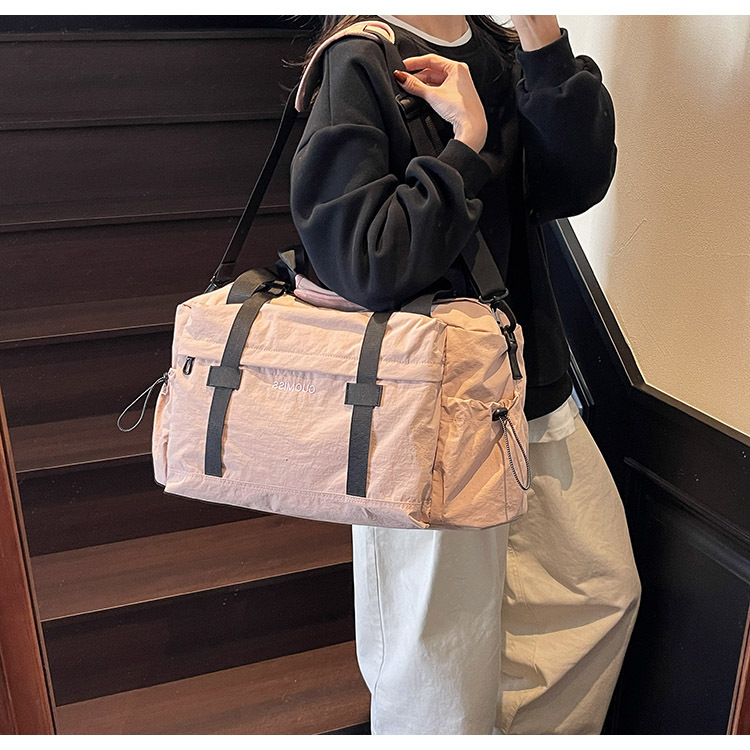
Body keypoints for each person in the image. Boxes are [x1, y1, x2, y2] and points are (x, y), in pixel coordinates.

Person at [289, 14, 641, 735]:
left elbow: (573, 184)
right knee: (440, 678)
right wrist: (465, 145)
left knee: (598, 595)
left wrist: (542, 40)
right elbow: (366, 259)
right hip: (425, 413)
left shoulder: (502, 47)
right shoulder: (362, 59)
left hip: (527, 387)